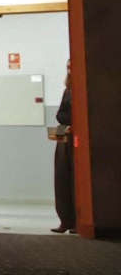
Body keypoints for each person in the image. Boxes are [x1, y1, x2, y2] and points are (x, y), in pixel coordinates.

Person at [53, 60, 75, 233]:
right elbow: (60, 114)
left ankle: (77, 221)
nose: (69, 69)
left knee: (75, 179)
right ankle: (65, 220)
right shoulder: (67, 91)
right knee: (61, 176)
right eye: (67, 66)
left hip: (77, 135)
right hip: (64, 133)